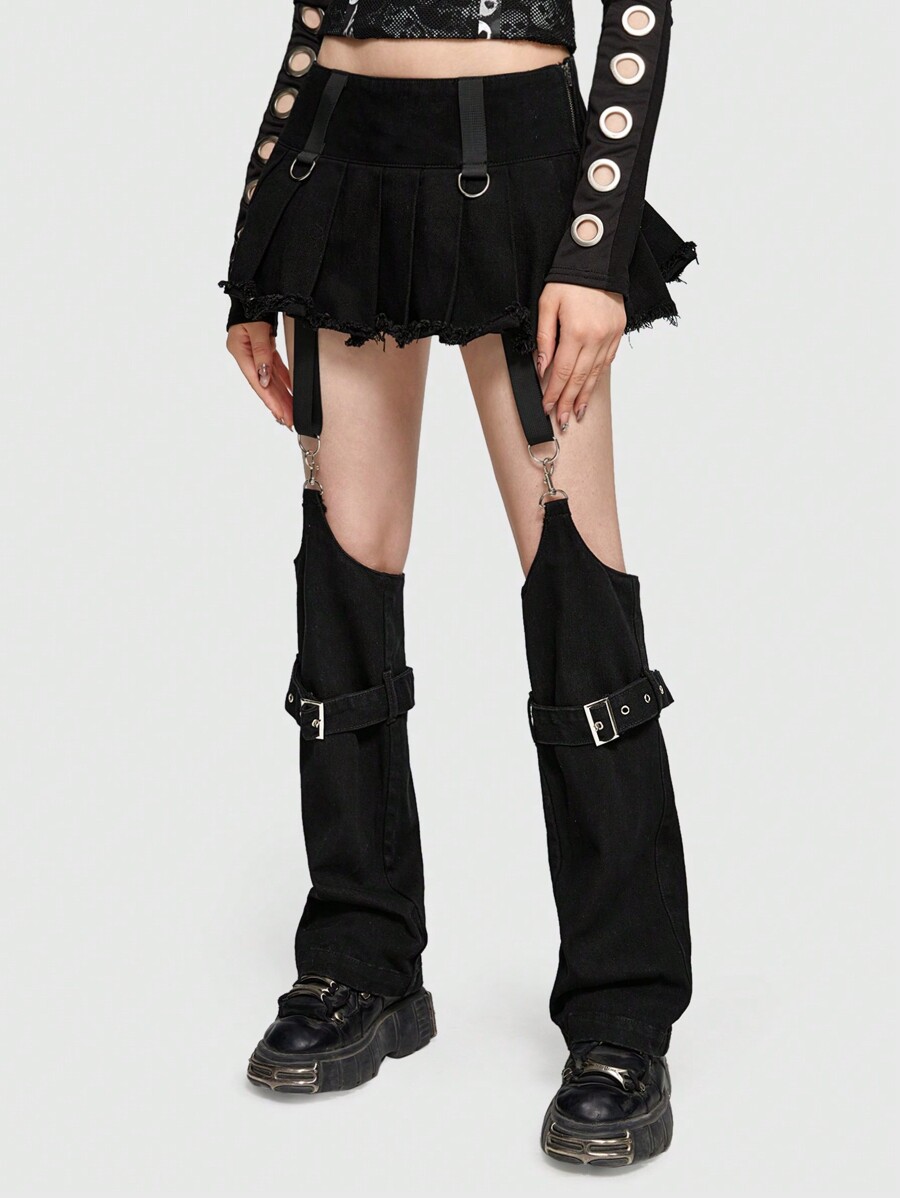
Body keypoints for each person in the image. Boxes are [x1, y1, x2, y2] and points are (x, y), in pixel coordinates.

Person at [221, 0, 696, 1169]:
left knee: (574, 570)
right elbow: (313, 17)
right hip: (342, 156)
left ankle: (623, 1009)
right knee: (345, 561)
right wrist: (255, 238)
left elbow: (641, 10)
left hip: (525, 158)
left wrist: (595, 246)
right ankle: (360, 960)